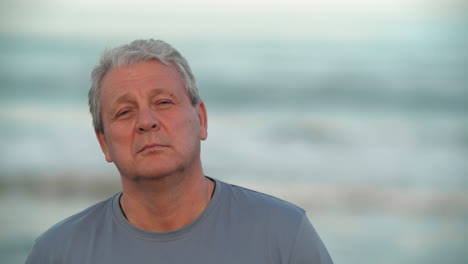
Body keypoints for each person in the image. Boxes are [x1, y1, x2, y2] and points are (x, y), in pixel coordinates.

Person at [25, 39, 333, 264]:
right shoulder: (58, 252)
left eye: (163, 103)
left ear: (200, 119)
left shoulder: (283, 235)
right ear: (104, 142)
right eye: (124, 112)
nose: (146, 122)